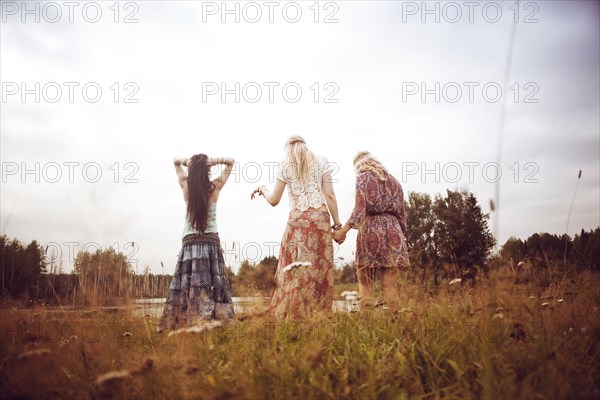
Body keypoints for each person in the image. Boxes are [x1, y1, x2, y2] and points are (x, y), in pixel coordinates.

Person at [251, 135, 342, 320]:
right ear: (305, 146)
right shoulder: (322, 160)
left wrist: (262, 189)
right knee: (319, 269)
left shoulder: (285, 164)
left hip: (296, 223)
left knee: (292, 271)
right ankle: (319, 317)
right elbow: (330, 195)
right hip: (320, 221)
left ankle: (292, 317)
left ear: (288, 149)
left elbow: (274, 200)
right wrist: (338, 225)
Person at [158, 154, 235, 332]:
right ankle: (215, 323)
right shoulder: (215, 186)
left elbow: (174, 160)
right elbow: (231, 161)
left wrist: (187, 162)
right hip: (210, 243)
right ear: (208, 170)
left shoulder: (185, 185)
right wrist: (215, 161)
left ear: (191, 170)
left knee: (187, 284)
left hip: (190, 243)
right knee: (213, 284)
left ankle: (185, 323)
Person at [334, 151, 409, 310]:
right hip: (394, 229)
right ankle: (392, 324)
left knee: (365, 282)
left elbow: (359, 210)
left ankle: (367, 324)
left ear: (358, 166)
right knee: (390, 286)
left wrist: (343, 231)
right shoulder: (395, 181)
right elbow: (403, 216)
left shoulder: (362, 177)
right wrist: (400, 235)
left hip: (371, 228)